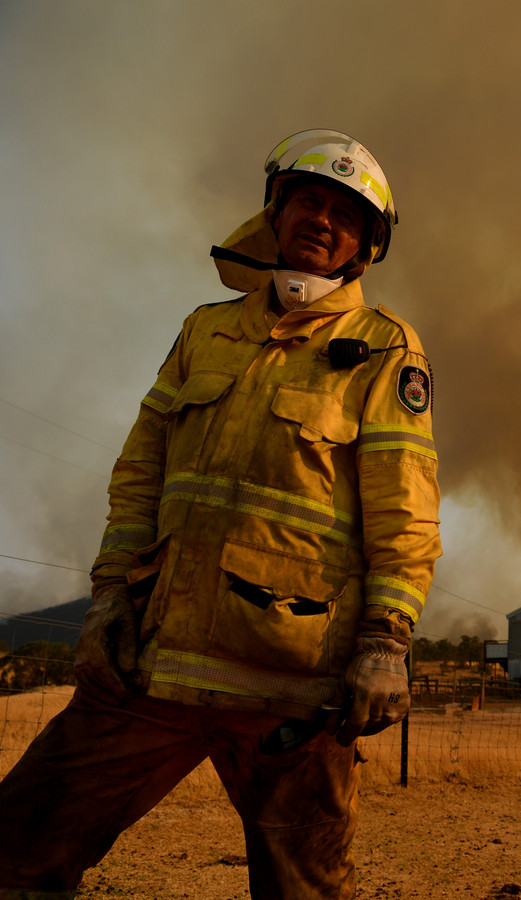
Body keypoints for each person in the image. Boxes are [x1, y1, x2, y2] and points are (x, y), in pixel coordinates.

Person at [0, 129, 442, 900]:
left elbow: (405, 508)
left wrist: (385, 640)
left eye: (346, 214)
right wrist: (109, 598)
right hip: (153, 668)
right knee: (14, 852)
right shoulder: (205, 331)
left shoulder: (383, 348)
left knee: (302, 889)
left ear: (366, 248)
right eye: (309, 199)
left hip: (294, 691)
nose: (323, 219)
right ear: (274, 210)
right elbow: (141, 474)